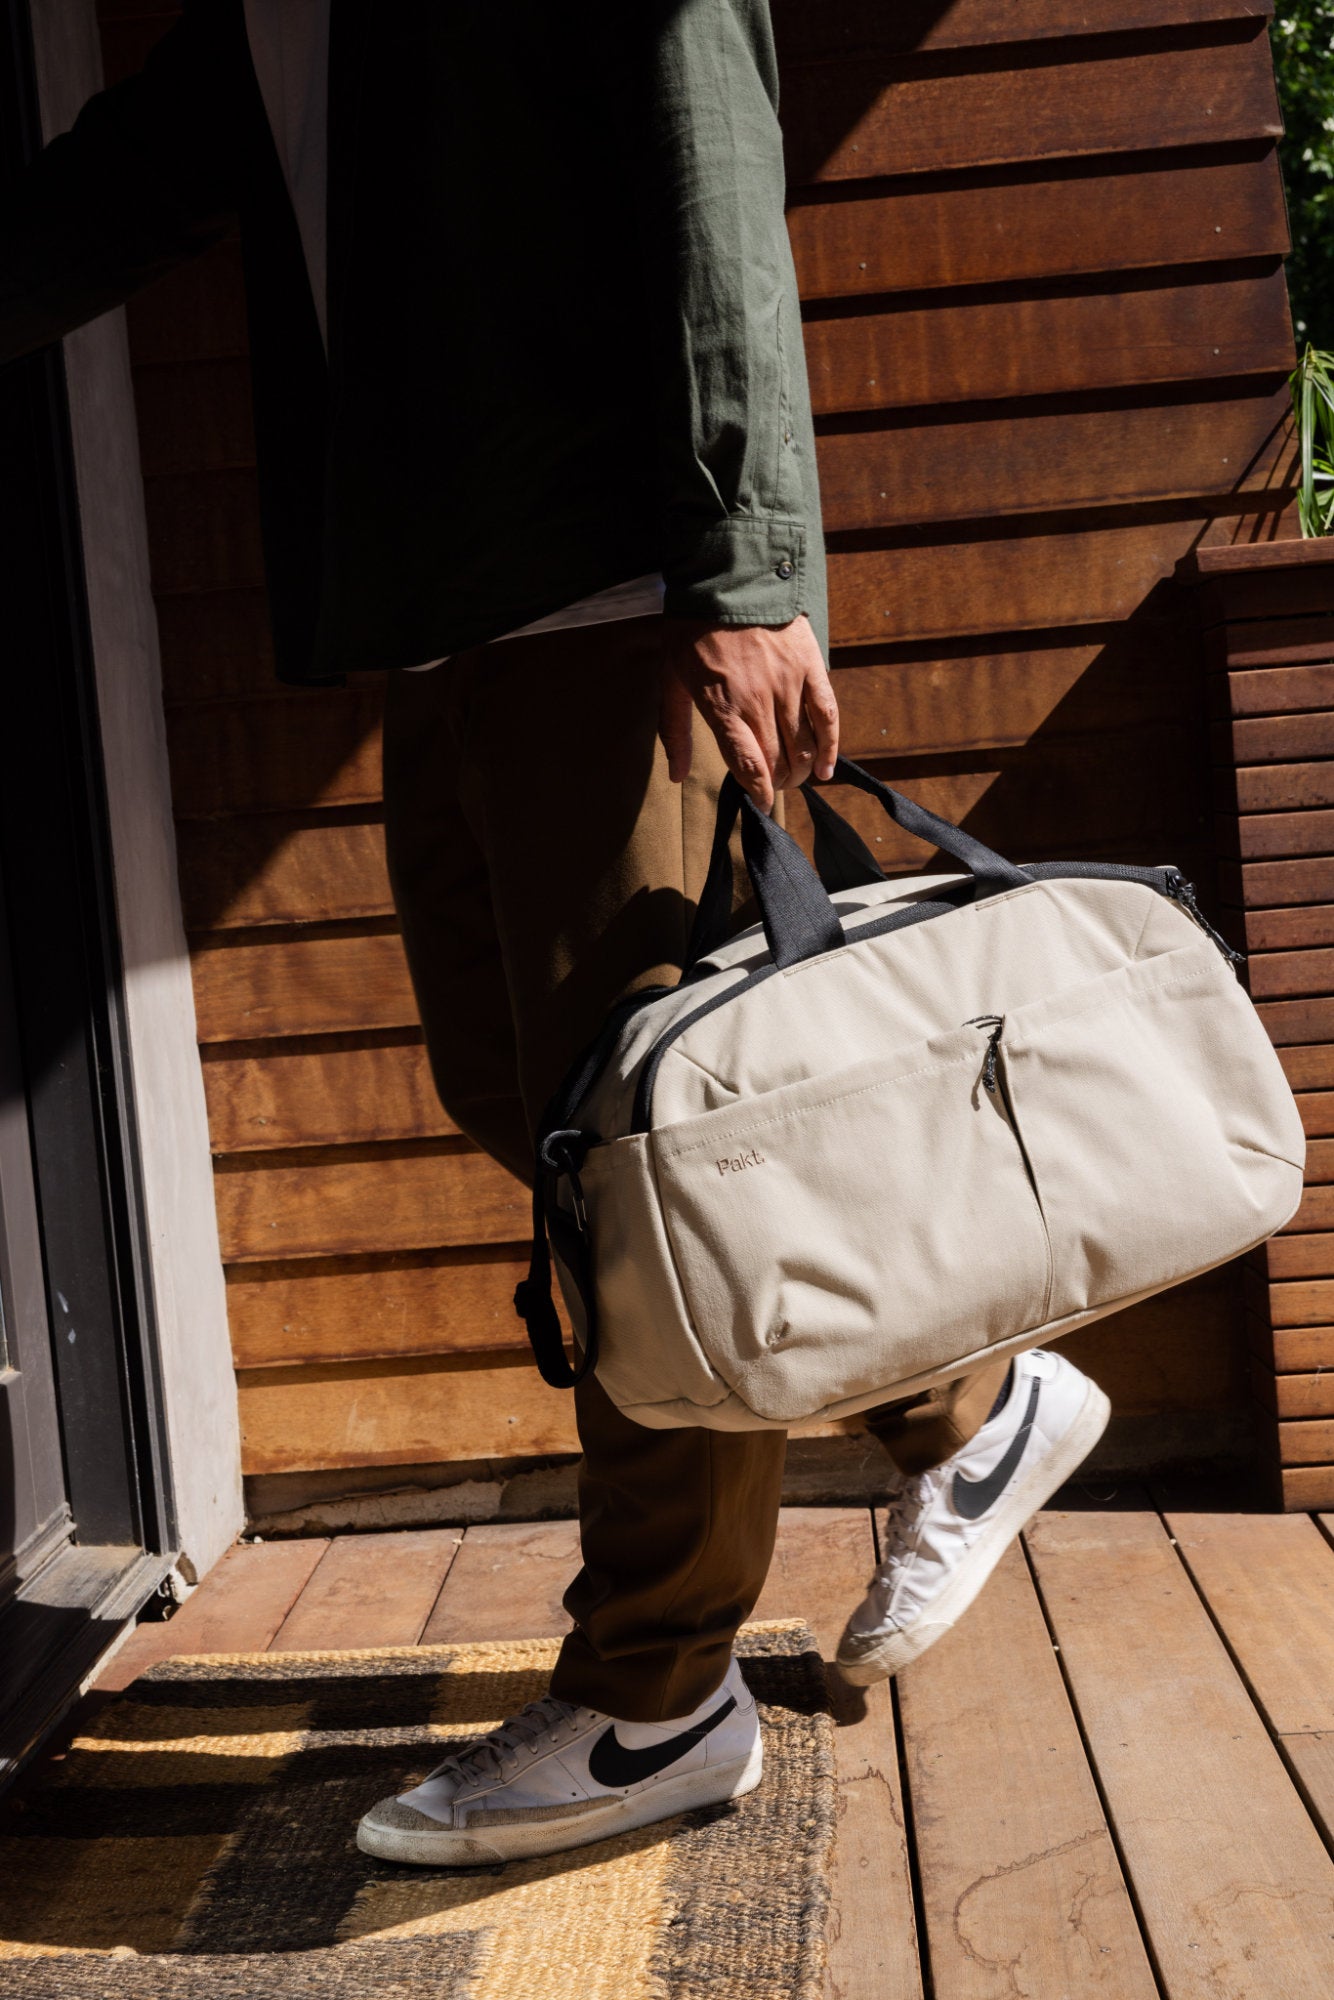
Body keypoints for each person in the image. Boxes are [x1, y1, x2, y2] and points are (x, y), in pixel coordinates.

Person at [0, 0, 1109, 1869]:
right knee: (549, 1116)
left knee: (644, 1168)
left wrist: (750, 567)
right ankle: (962, 1405)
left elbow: (712, 162)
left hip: (616, 600)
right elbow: (145, 173)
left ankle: (656, 1697)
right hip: (448, 603)